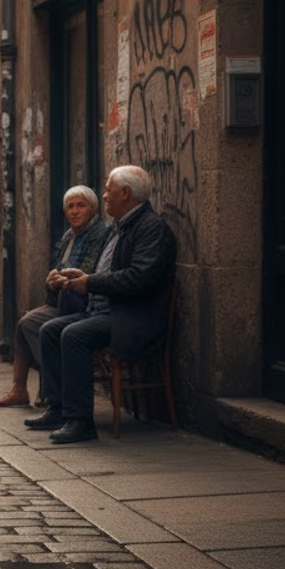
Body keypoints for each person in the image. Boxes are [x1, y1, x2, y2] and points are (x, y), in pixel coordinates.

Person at [26, 165, 177, 444]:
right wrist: (78, 277)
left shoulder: (151, 229)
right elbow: (106, 271)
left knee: (74, 335)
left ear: (126, 193)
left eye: (108, 190)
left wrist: (91, 282)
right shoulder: (120, 228)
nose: (104, 196)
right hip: (105, 312)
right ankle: (58, 408)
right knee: (49, 329)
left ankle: (81, 421)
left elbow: (138, 278)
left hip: (132, 318)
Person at [0, 186, 109, 407]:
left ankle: (50, 389)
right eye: (70, 207)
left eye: (80, 206)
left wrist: (65, 280)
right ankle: (19, 388)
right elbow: (58, 267)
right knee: (24, 323)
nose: (74, 212)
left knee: (39, 327)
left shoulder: (99, 235)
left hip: (83, 304)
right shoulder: (69, 236)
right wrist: (52, 280)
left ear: (93, 210)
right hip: (62, 298)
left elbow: (91, 272)